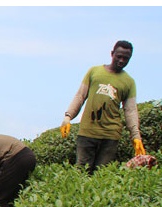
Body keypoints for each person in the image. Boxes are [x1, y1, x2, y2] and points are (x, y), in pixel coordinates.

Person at [60, 40, 146, 174]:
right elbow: (80, 96)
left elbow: (130, 111)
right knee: (81, 172)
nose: (122, 60)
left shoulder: (129, 82)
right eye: (119, 56)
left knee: (102, 173)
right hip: (87, 132)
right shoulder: (94, 72)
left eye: (126, 58)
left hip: (110, 136)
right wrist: (68, 116)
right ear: (112, 54)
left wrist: (136, 136)